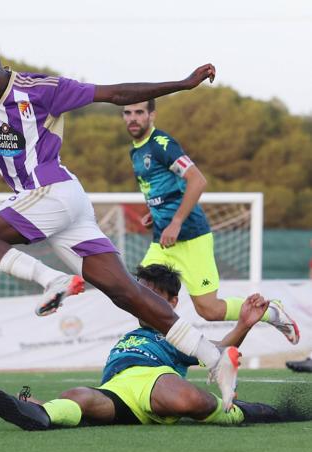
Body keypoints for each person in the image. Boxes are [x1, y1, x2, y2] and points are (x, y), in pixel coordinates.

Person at [0, 38, 238, 408]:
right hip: (60, 205)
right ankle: (216, 358)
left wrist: (181, 84)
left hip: (52, 192)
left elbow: (117, 94)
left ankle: (52, 280)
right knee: (128, 294)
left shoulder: (42, 90)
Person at [0, 264, 281, 430]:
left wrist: (244, 324)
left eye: (149, 295)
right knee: (78, 394)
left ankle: (238, 411)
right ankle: (42, 414)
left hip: (156, 381)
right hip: (117, 390)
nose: (141, 301)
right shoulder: (131, 334)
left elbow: (218, 353)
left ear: (172, 302)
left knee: (187, 400)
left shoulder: (178, 335)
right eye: (137, 293)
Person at [121, 99, 299, 345]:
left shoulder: (162, 144)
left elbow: (198, 180)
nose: (133, 118)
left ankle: (271, 312)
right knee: (139, 297)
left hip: (191, 237)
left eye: (139, 112)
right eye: (127, 113)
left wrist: (176, 222)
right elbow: (166, 188)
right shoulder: (136, 149)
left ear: (152, 115)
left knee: (209, 310)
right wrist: (157, 212)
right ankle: (159, 354)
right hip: (162, 242)